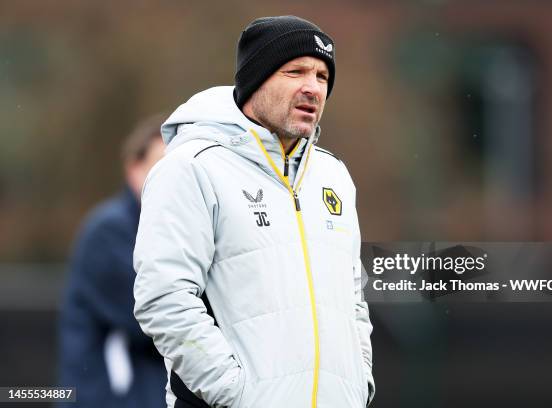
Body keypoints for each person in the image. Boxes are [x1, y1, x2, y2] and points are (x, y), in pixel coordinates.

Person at [133, 16, 374, 408]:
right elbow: (163, 297)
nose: (312, 87)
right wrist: (235, 392)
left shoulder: (334, 176)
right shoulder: (193, 167)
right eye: (295, 71)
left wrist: (357, 386)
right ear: (255, 80)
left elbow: (353, 301)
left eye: (322, 76)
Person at [58, 115, 167, 408]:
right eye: (161, 164)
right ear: (134, 169)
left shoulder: (174, 231)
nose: (170, 176)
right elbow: (155, 321)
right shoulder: (107, 232)